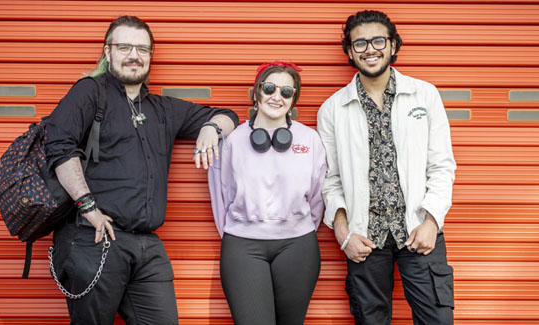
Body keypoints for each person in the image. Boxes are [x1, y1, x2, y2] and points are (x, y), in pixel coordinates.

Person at [44, 15, 238, 324]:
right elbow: (58, 144)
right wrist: (87, 206)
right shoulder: (90, 92)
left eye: (142, 49)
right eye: (124, 47)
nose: (134, 55)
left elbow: (228, 115)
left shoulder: (162, 108)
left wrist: (212, 127)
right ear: (108, 52)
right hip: (93, 238)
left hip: (147, 246)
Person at [316, 10, 456, 325]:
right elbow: (330, 180)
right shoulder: (333, 109)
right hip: (365, 237)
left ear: (393, 45)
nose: (370, 49)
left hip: (419, 230)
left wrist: (432, 222)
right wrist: (344, 234)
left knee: (437, 319)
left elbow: (442, 166)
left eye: (378, 40)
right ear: (350, 52)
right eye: (360, 43)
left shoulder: (424, 94)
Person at [207, 62, 327, 324]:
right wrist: (243, 227)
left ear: (293, 99)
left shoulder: (310, 139)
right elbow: (221, 194)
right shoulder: (233, 140)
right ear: (256, 93)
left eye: (286, 92)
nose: (277, 97)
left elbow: (318, 197)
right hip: (242, 246)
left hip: (298, 246)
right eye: (270, 88)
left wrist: (295, 226)